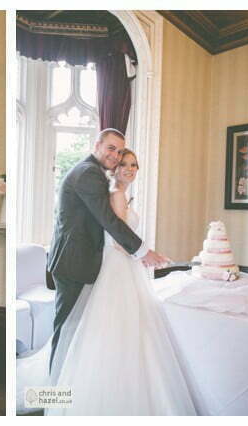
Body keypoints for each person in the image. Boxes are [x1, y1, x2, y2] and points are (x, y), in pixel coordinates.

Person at [46, 148, 196, 415]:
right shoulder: (113, 192)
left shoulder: (118, 193)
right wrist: (145, 254)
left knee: (115, 327)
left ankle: (61, 390)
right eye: (123, 163)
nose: (129, 168)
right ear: (113, 168)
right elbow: (116, 239)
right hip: (108, 265)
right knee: (90, 328)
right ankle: (56, 394)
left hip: (117, 266)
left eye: (134, 164)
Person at [46, 128, 168, 372]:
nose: (115, 155)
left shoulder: (96, 173)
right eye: (111, 148)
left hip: (85, 261)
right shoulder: (87, 173)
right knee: (67, 327)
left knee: (79, 328)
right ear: (97, 145)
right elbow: (109, 222)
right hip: (73, 262)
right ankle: (55, 392)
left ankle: (68, 381)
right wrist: (144, 252)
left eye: (120, 150)